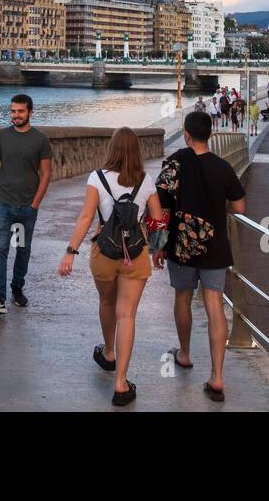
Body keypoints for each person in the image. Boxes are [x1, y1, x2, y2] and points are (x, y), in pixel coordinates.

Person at [58, 127, 164, 406]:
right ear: (137, 151)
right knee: (126, 315)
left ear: (112, 149)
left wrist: (70, 252)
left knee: (107, 303)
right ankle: (120, 383)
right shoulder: (147, 181)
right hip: (136, 253)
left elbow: (85, 217)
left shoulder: (97, 178)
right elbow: (156, 221)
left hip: (103, 253)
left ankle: (108, 352)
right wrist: (158, 250)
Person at [154, 111, 247, 402]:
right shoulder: (223, 167)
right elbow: (240, 208)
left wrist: (157, 245)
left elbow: (161, 209)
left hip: (180, 247)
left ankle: (184, 353)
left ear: (187, 134)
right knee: (214, 305)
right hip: (215, 247)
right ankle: (217, 377)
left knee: (182, 298)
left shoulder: (174, 164)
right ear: (209, 134)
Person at [0, 94, 53, 314]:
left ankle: (17, 287)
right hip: (3, 205)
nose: (16, 115)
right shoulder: (1, 137)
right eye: (13, 111)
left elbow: (46, 174)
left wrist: (34, 204)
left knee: (22, 250)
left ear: (31, 112)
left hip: (26, 208)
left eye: (20, 111)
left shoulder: (41, 140)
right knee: (0, 250)